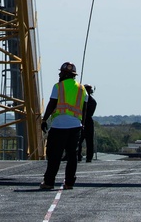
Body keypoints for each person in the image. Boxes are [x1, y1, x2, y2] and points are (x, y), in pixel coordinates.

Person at [40, 62, 86, 190]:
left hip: (59, 126)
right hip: (76, 126)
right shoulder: (82, 89)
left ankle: (49, 182)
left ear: (65, 74)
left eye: (61, 72)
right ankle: (69, 182)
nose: (59, 74)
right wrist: (83, 125)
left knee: (54, 155)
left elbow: (52, 104)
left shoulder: (58, 87)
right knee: (72, 156)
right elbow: (84, 109)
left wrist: (44, 120)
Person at [77, 84, 97, 163]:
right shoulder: (79, 100)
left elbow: (89, 113)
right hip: (80, 120)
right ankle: (78, 155)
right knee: (78, 140)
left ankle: (89, 157)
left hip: (87, 122)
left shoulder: (92, 102)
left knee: (89, 141)